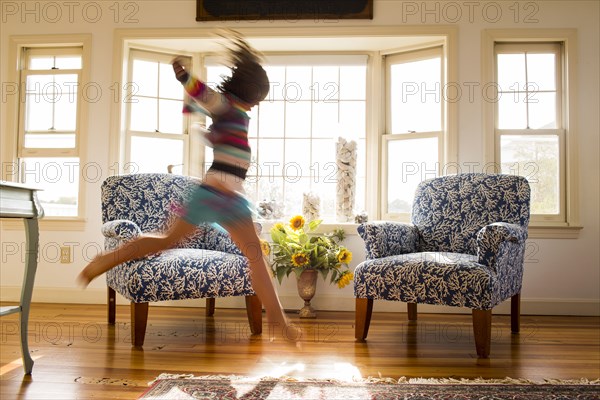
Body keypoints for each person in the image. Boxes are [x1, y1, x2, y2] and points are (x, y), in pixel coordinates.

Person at [78, 33, 300, 342]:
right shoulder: (225, 106)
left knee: (181, 243)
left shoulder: (237, 115)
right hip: (216, 194)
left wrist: (210, 137)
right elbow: (202, 93)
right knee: (245, 255)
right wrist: (183, 74)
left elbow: (227, 144)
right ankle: (278, 322)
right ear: (249, 94)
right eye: (258, 99)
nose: (257, 105)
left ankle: (278, 321)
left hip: (227, 197)